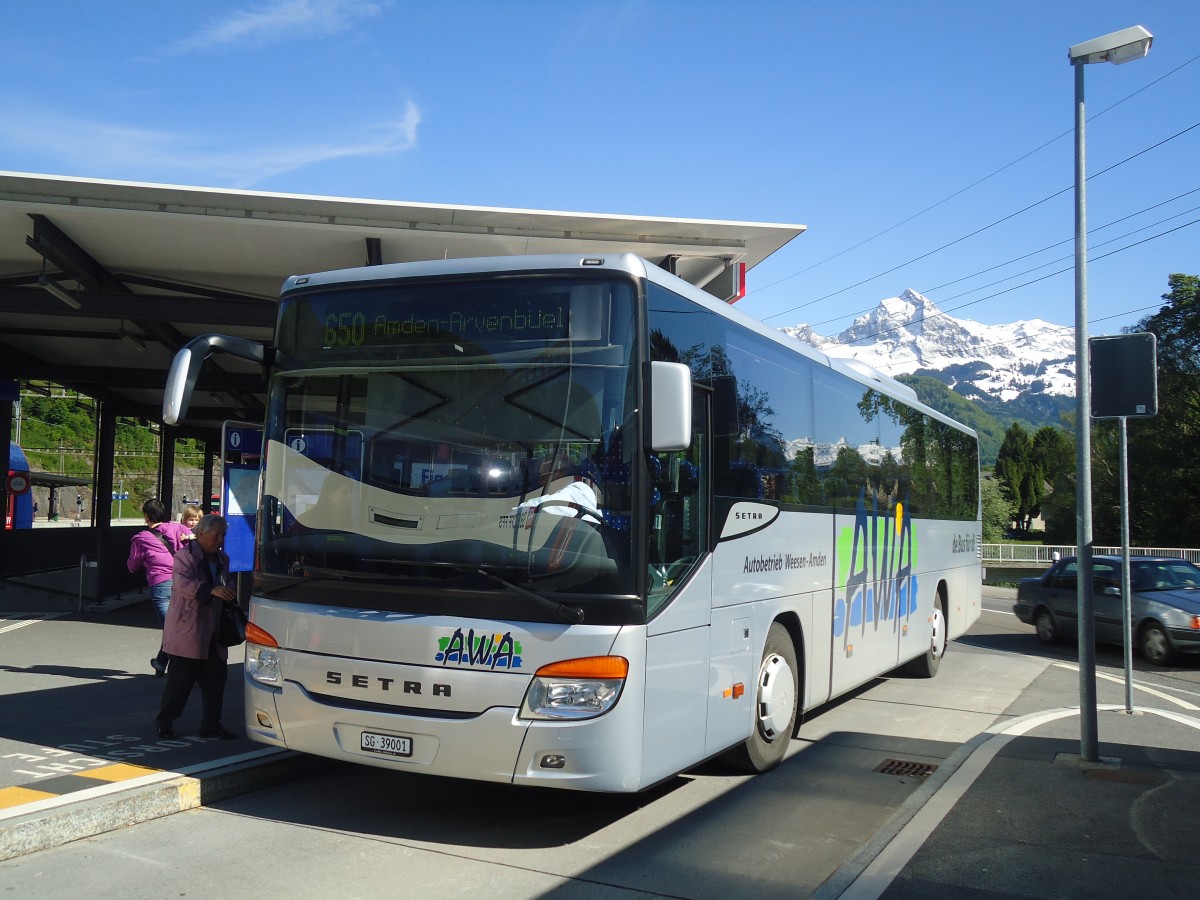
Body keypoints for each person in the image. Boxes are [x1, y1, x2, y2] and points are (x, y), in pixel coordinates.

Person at [156, 514, 239, 740]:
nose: (220, 539)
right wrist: (211, 590)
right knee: (179, 682)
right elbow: (182, 584)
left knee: (216, 681)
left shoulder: (223, 559)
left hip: (214, 629)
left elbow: (227, 583)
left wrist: (228, 591)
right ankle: (165, 724)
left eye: (223, 535)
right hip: (189, 628)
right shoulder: (185, 556)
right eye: (216, 534)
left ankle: (211, 725)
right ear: (201, 533)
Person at [128, 499, 192, 675]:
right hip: (184, 583)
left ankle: (185, 671)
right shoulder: (180, 529)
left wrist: (146, 563)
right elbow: (195, 548)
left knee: (172, 629)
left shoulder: (141, 538)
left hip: (161, 585)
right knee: (176, 627)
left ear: (146, 516)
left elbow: (132, 566)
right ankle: (161, 663)